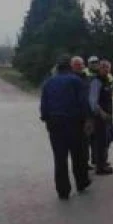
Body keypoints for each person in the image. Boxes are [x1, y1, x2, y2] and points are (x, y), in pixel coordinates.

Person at [40, 56, 92, 199]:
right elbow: (83, 102)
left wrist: (46, 119)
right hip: (74, 123)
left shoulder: (48, 83)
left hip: (55, 124)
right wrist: (87, 120)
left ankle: (63, 190)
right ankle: (82, 183)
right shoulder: (76, 81)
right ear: (69, 68)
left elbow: (44, 105)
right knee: (78, 155)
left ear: (57, 69)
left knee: (60, 158)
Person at [88, 59, 113, 174]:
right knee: (100, 141)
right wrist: (102, 113)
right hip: (100, 117)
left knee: (107, 140)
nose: (106, 69)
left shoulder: (106, 80)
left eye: (107, 67)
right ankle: (100, 167)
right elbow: (92, 100)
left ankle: (102, 162)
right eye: (103, 67)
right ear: (99, 68)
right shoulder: (96, 82)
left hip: (107, 116)